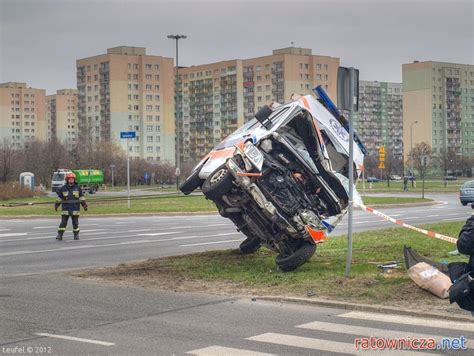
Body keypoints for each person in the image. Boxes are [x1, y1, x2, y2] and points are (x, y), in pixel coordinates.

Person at [55, 172, 87, 240]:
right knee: (63, 223)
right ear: (67, 180)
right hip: (65, 209)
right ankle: (60, 235)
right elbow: (60, 197)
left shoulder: (78, 188)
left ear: (74, 179)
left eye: (72, 179)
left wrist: (84, 205)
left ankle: (76, 235)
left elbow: (81, 197)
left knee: (75, 223)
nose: (71, 180)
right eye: (70, 179)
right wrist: (56, 205)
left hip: (75, 209)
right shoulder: (63, 188)